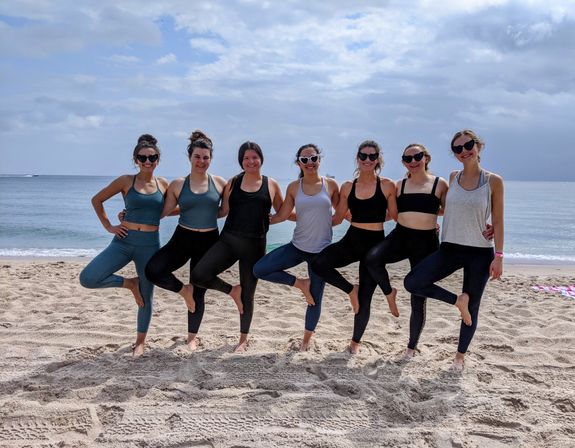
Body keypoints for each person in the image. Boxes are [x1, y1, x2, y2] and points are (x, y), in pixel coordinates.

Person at [404, 129, 504, 371]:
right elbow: (444, 208)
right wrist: (430, 221)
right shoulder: (452, 177)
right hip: (450, 247)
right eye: (457, 149)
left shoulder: (493, 181)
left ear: (478, 145)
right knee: (413, 282)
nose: (464, 151)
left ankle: (459, 356)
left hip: (480, 251)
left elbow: (499, 220)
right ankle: (456, 301)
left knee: (473, 306)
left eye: (468, 145)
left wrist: (499, 255)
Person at [79, 134, 168, 357]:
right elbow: (96, 200)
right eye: (143, 158)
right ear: (135, 159)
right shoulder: (125, 181)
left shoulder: (164, 184)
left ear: (158, 159)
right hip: (123, 241)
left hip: (149, 245)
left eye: (152, 157)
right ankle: (129, 283)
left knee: (147, 295)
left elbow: (169, 210)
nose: (148, 162)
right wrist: (109, 225)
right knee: (88, 278)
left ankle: (140, 342)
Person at [191, 141, 283, 352]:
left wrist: (270, 220)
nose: (251, 161)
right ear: (241, 161)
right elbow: (222, 211)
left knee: (248, 295)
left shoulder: (272, 185)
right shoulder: (232, 182)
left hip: (255, 246)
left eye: (254, 157)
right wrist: (193, 214)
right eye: (246, 158)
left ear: (261, 159)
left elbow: (282, 212)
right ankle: (232, 290)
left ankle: (242, 340)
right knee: (199, 275)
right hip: (229, 241)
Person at [311, 140, 397, 354]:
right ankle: (351, 289)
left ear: (378, 159)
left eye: (372, 156)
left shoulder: (387, 185)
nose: (367, 160)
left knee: (365, 299)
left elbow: (396, 216)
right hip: (352, 240)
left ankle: (355, 344)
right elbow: (339, 217)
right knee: (319, 263)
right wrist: (307, 221)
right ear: (357, 158)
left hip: (375, 243)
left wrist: (431, 223)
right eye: (363, 155)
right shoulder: (348, 187)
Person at [144, 130, 226, 351]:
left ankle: (191, 338)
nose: (201, 161)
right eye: (197, 156)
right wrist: (130, 216)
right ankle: (183, 291)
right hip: (183, 237)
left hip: (209, 240)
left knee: (200, 289)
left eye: (205, 157)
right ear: (190, 157)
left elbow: (224, 211)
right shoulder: (178, 184)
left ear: (211, 158)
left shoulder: (220, 183)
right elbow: (162, 211)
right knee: (153, 270)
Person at [253, 144, 339, 351]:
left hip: (322, 253)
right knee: (260, 269)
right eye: (305, 159)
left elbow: (343, 213)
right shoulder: (293, 187)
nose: (310, 163)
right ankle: (301, 283)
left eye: (313, 158)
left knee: (315, 300)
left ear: (320, 159)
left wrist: (325, 223)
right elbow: (282, 214)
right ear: (298, 162)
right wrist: (262, 221)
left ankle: (306, 341)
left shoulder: (332, 185)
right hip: (298, 246)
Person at [365, 144, 448, 357]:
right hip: (400, 237)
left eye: (417, 156)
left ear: (426, 158)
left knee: (418, 296)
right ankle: (388, 292)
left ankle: (411, 347)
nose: (413, 161)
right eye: (408, 158)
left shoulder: (440, 184)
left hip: (426, 242)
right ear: (403, 162)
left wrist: (485, 225)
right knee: (372, 258)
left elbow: (450, 210)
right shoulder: (399, 185)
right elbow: (389, 211)